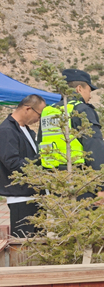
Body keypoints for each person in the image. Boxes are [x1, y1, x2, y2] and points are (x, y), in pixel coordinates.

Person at [39, 69, 104, 171]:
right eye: (89, 91)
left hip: (51, 174)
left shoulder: (47, 111)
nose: (90, 96)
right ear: (79, 89)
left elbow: (40, 143)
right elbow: (94, 146)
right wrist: (100, 175)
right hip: (78, 174)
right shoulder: (82, 110)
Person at [0, 94, 45, 236]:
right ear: (27, 109)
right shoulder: (7, 130)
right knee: (24, 243)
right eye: (39, 114)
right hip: (21, 197)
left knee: (40, 241)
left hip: (34, 195)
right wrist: (39, 161)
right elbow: (12, 163)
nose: (39, 119)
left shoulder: (27, 130)